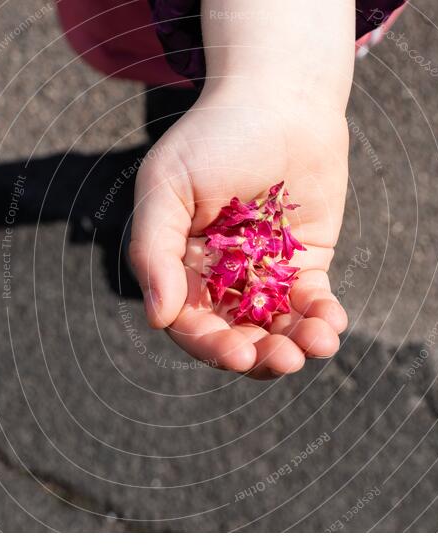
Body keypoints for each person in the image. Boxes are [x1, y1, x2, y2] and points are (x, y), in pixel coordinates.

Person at [58, 0, 405, 378]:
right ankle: (164, 165)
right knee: (174, 95)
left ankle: (167, 179)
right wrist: (263, 91)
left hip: (318, 34)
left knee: (187, 108)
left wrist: (275, 88)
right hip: (157, 24)